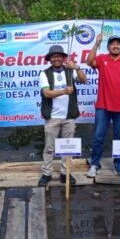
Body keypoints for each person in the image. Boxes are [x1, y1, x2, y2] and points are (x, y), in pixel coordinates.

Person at [85, 33, 120, 178]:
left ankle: (119, 167)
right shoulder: (102, 59)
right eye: (112, 44)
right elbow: (89, 62)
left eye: (118, 44)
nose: (116, 46)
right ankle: (95, 165)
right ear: (108, 46)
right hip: (103, 106)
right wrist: (96, 44)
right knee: (98, 137)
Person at [38, 44, 87, 187]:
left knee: (68, 147)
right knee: (49, 147)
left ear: (63, 58)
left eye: (59, 56)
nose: (57, 58)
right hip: (52, 117)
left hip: (69, 116)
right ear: (50, 59)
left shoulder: (70, 71)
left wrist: (77, 68)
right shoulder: (44, 73)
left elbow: (84, 80)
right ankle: (46, 173)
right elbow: (46, 93)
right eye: (54, 56)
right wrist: (64, 91)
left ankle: (65, 172)